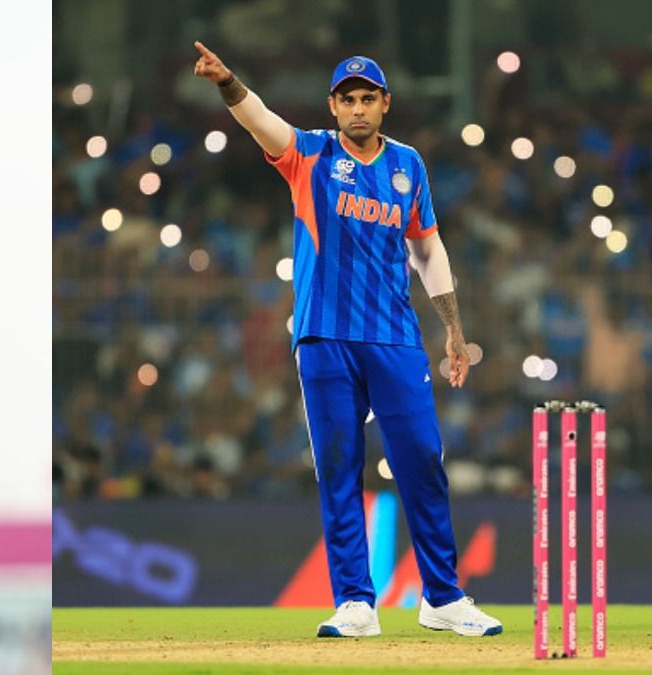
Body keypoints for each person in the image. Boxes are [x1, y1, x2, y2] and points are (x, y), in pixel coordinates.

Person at [193, 43, 502, 638]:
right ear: (332, 107)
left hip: (394, 336)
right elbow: (260, 120)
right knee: (339, 468)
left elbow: (427, 248)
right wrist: (228, 81)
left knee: (422, 460)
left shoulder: (408, 164)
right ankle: (356, 602)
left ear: (385, 104)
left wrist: (454, 330)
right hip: (324, 335)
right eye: (347, 100)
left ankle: (442, 597)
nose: (357, 108)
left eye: (367, 98)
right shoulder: (310, 153)